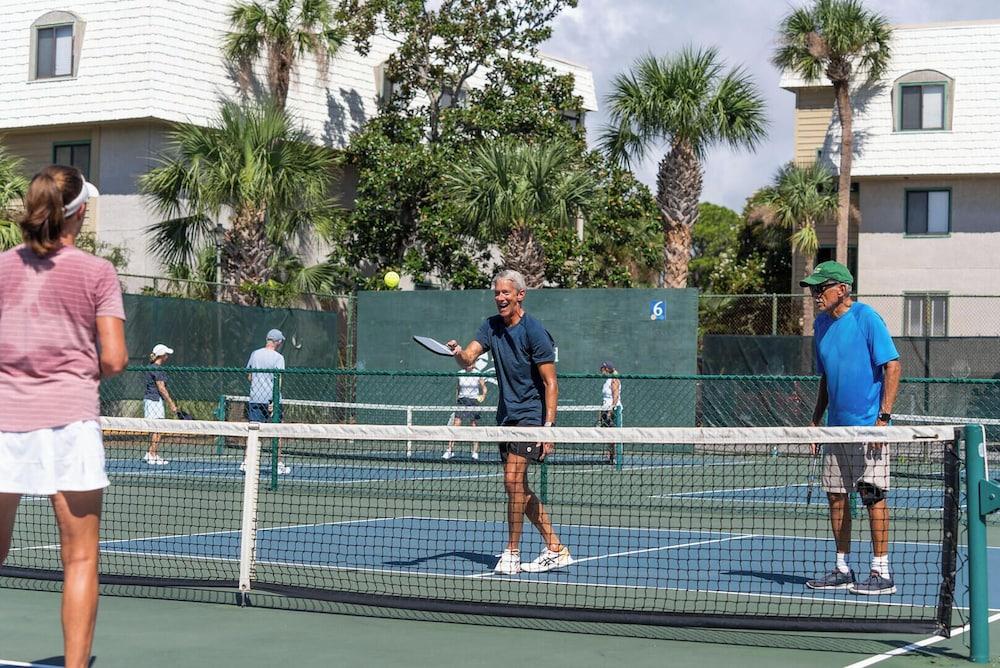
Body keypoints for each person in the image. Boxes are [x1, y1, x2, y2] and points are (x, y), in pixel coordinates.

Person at [0, 165, 128, 668]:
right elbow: (115, 359)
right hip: (71, 423)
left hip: (3, 421)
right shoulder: (98, 272)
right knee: (78, 558)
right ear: (79, 212)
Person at [447, 269, 572, 575]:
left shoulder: (534, 331)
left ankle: (512, 553)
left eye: (506, 293)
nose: (500, 298)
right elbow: (468, 360)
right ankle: (555, 548)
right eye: (497, 293)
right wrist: (458, 352)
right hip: (505, 416)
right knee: (518, 486)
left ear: (520, 295)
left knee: (512, 482)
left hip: (531, 416)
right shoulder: (491, 326)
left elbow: (551, 384)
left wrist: (548, 429)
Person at [801, 261, 901, 596]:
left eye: (821, 288)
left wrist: (882, 420)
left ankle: (881, 571)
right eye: (813, 289)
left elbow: (893, 366)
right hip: (835, 431)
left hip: (869, 430)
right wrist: (816, 422)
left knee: (873, 496)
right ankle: (842, 568)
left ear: (842, 289)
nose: (815, 295)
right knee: (835, 497)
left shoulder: (867, 318)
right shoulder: (821, 325)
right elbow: (826, 378)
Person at [243, 329, 290, 474]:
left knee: (254, 431)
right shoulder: (279, 358)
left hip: (255, 398)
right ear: (277, 342)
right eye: (280, 341)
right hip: (271, 399)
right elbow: (278, 380)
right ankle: (279, 464)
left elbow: (249, 376)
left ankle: (246, 462)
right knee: (278, 431)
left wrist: (258, 383)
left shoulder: (255, 354)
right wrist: (275, 400)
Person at [443, 364, 487, 460]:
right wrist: (457, 400)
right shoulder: (460, 373)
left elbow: (484, 388)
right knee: (456, 424)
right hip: (462, 401)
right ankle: (449, 451)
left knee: (473, 425)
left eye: (472, 362)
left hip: (473, 401)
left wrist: (483, 396)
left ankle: (475, 452)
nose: (470, 365)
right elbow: (458, 388)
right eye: (467, 362)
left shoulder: (478, 373)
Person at [142, 343, 177, 465]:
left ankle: (150, 453)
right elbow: (161, 388)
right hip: (155, 401)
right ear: (162, 355)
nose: (167, 356)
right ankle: (152, 454)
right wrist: (171, 404)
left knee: (154, 429)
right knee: (158, 429)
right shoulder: (157, 369)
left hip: (149, 400)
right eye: (166, 354)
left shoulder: (150, 367)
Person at [598, 360, 622, 464]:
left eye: (602, 369)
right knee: (608, 434)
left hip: (612, 410)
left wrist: (611, 410)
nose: (601, 371)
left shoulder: (614, 380)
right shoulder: (607, 380)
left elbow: (615, 396)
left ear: (607, 369)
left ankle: (614, 456)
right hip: (605, 408)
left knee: (613, 434)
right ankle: (610, 455)